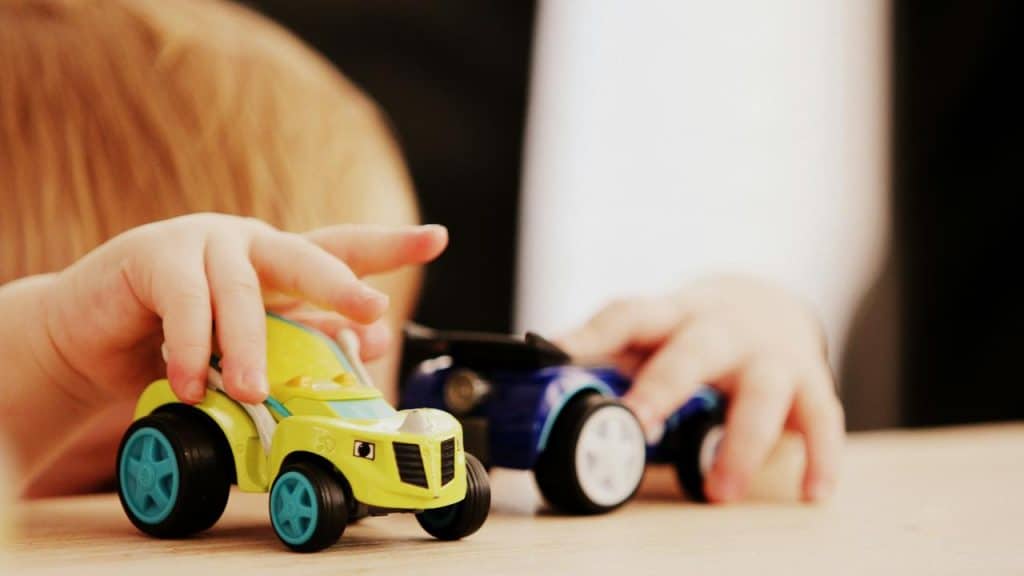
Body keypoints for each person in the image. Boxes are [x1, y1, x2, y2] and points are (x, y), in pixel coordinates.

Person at [0, 0, 842, 504]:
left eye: (355, 338)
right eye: (103, 479)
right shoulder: (47, 387)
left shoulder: (358, 387)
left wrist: (742, 322)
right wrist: (48, 351)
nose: (362, 364)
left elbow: (513, 410)